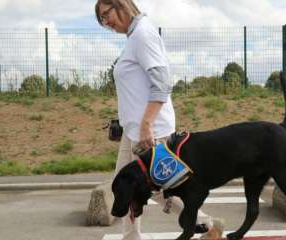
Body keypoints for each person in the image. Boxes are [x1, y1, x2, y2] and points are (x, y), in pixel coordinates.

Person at [94, 1, 224, 240]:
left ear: (120, 4)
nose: (106, 23)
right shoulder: (134, 37)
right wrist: (126, 122)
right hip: (132, 131)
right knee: (124, 186)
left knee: (158, 191)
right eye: (102, 20)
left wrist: (146, 124)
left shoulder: (143, 33)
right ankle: (131, 237)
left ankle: (206, 224)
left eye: (106, 15)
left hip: (151, 131)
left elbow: (162, 83)